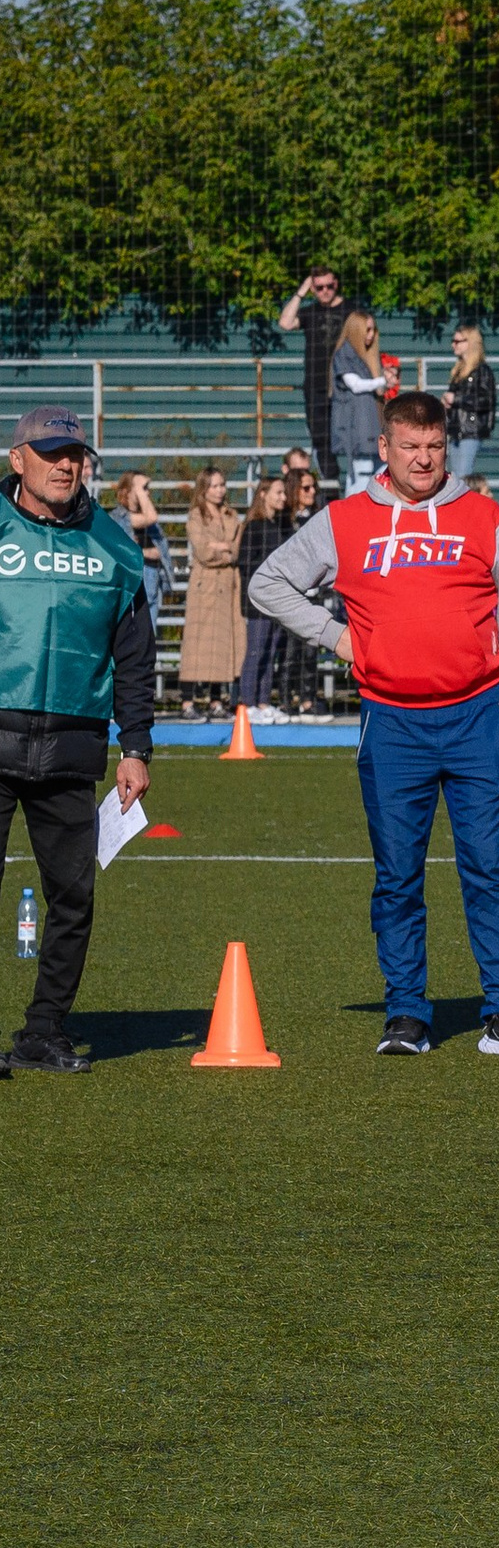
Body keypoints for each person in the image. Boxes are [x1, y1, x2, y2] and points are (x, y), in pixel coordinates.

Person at [249, 391, 499, 1055]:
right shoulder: (345, 520)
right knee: (397, 876)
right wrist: (339, 639)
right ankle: (407, 1014)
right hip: (391, 723)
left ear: (447, 446)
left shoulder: (483, 517)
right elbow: (267, 584)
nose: (423, 458)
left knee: (490, 869)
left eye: (435, 445)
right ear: (383, 449)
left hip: (478, 718)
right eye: (410, 446)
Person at [0, 408, 154, 1074]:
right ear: (19, 460)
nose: (66, 464)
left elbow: (137, 656)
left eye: (75, 454)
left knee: (73, 895)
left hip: (73, 747)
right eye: (51, 452)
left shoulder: (115, 547)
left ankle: (44, 1031)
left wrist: (137, 747)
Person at [175, 466, 245, 716]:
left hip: (228, 587)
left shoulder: (231, 515)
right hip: (205, 587)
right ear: (204, 489)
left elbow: (237, 549)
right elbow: (203, 552)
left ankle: (216, 701)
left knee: (223, 645)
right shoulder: (196, 516)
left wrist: (220, 547)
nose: (219, 490)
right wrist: (221, 549)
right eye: (214, 485)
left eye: (222, 485)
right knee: (197, 645)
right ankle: (187, 701)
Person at [279, 269, 353, 484]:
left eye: (329, 286)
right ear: (313, 289)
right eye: (319, 287)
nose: (325, 291)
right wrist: (301, 292)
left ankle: (354, 488)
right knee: (321, 439)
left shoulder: (350, 310)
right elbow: (285, 322)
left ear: (336, 284)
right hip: (315, 385)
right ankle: (330, 489)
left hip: (345, 385)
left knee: (349, 438)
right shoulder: (310, 311)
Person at [234, 475, 291, 719]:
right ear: (263, 494)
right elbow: (245, 562)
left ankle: (264, 702)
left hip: (277, 599)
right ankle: (247, 704)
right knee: (256, 650)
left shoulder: (279, 525)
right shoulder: (254, 526)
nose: (283, 497)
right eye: (278, 492)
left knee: (270, 651)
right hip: (257, 600)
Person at [271, 467, 326, 712]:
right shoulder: (284, 522)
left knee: (311, 652)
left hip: (314, 594)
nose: (311, 492)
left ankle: (308, 699)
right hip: (292, 595)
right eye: (306, 488)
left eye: (313, 487)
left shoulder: (317, 518)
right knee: (290, 653)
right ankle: (284, 699)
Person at [329, 311, 392, 490]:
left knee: (380, 474)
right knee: (360, 475)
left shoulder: (369, 357)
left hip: (373, 425)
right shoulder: (345, 354)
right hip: (356, 429)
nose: (371, 335)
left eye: (373, 329)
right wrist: (382, 382)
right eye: (367, 330)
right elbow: (355, 385)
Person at [110, 473, 171, 643]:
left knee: (148, 637)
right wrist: (146, 553)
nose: (147, 493)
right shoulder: (119, 517)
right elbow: (150, 517)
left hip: (151, 582)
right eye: (142, 488)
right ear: (128, 490)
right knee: (134, 637)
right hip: (134, 581)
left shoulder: (147, 521)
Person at [442, 326, 498, 483]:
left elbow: (486, 401)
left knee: (463, 478)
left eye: (457, 341)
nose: (454, 345)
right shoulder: (459, 371)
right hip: (456, 431)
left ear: (470, 343)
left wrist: (456, 399)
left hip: (471, 431)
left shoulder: (482, 371)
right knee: (454, 478)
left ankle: (463, 507)